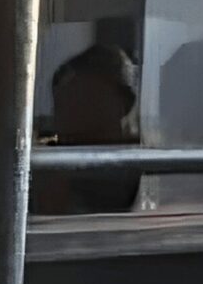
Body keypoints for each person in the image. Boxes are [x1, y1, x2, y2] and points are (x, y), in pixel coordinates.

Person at [32, 41, 141, 217]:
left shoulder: (142, 164)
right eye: (60, 106)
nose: (62, 117)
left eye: (81, 102)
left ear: (120, 104)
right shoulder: (47, 163)